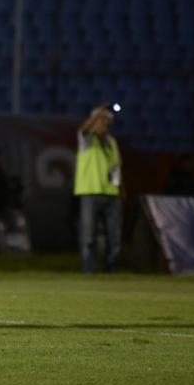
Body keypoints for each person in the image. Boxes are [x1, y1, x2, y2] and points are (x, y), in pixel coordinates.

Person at [73, 104, 123, 273]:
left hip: (111, 193)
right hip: (90, 192)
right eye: (102, 120)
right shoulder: (88, 140)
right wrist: (96, 115)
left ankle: (112, 268)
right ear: (94, 121)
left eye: (108, 120)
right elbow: (83, 130)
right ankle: (89, 269)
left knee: (114, 236)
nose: (105, 123)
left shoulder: (112, 142)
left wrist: (123, 190)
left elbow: (117, 168)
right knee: (89, 235)